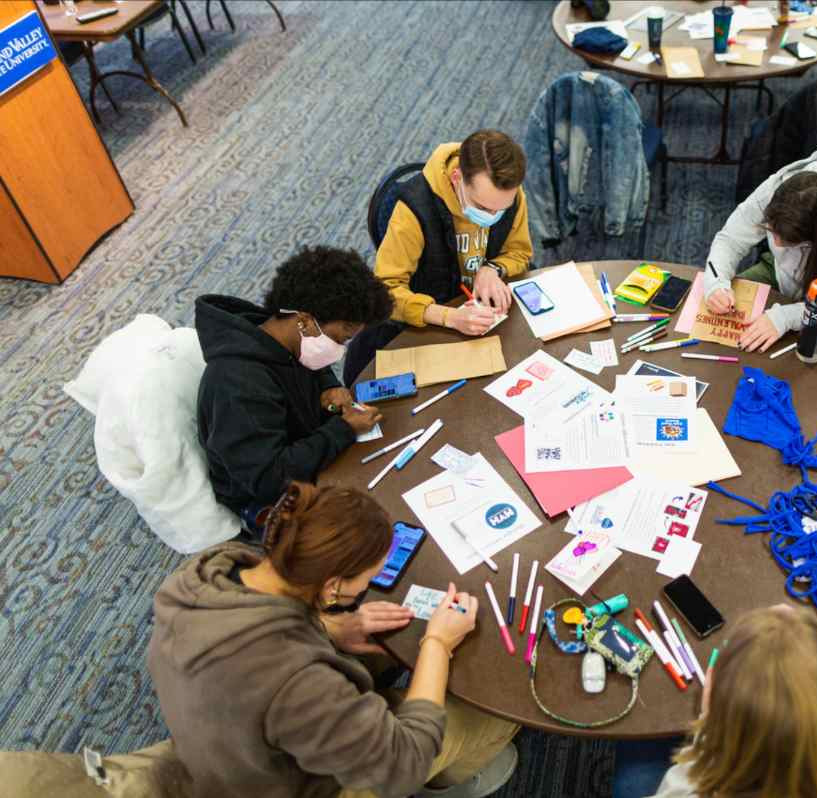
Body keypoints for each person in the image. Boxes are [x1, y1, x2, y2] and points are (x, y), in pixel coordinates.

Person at [147, 481, 521, 798]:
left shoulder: (207, 573)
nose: (368, 587)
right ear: (332, 586)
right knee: (495, 713)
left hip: (228, 742)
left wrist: (327, 626)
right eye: (366, 580)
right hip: (295, 785)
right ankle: (453, 783)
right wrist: (436, 643)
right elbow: (402, 763)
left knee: (385, 643)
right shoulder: (294, 682)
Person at [612, 604, 817, 798]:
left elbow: (697, 773)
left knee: (634, 768)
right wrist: (806, 669)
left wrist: (711, 727)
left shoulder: (682, 792)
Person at [196, 246, 392, 533]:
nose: (339, 350)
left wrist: (328, 389)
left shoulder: (285, 336)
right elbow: (268, 479)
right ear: (304, 321)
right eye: (341, 339)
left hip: (303, 444)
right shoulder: (238, 386)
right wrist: (343, 429)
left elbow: (316, 366)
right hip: (266, 497)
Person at [345, 130, 533, 385]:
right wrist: (449, 317)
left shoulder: (509, 193)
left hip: (484, 315)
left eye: (502, 208)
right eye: (483, 207)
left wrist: (493, 268)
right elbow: (384, 291)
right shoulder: (414, 209)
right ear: (457, 179)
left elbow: (520, 252)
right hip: (429, 322)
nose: (494, 215)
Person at [704, 140, 817, 352]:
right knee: (723, 335)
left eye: (787, 241)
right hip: (779, 273)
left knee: (807, 374)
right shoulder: (780, 189)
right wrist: (716, 283)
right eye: (771, 230)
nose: (774, 243)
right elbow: (731, 238)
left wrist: (786, 317)